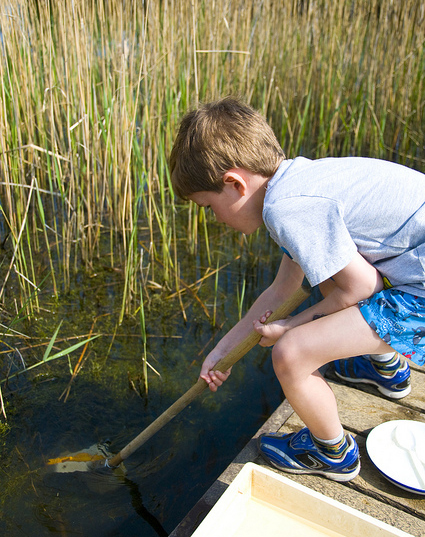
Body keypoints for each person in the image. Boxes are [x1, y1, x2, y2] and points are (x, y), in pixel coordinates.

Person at [169, 97, 425, 482]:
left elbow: (361, 286)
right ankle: (388, 370)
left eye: (208, 206)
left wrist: (291, 328)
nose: (214, 219)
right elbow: (282, 289)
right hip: (413, 271)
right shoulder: (298, 184)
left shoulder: (286, 210)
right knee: (324, 274)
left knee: (291, 355)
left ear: (234, 183)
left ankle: (333, 454)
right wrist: (222, 353)